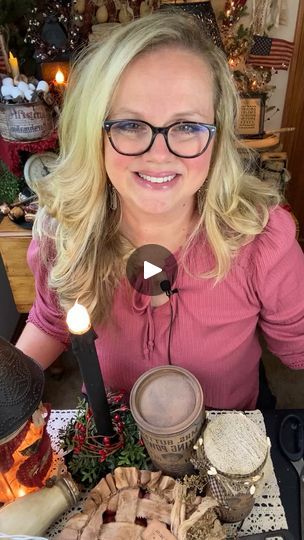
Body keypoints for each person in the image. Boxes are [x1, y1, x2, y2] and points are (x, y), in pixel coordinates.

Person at [17, 11, 304, 410]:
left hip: (226, 449)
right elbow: (51, 321)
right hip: (109, 443)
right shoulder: (64, 229)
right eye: (130, 124)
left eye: (186, 126)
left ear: (216, 137)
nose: (158, 153)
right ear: (92, 131)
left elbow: (297, 347)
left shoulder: (262, 238)